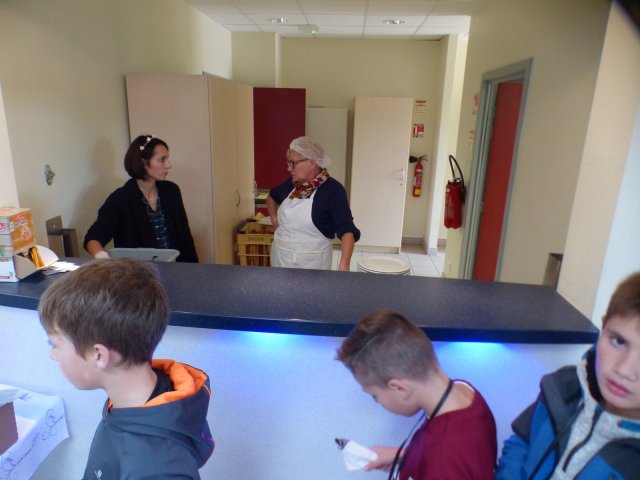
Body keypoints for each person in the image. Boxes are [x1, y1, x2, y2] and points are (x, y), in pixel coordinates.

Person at [38, 259, 214, 479]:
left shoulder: (158, 469)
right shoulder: (129, 402)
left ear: (99, 355)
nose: (53, 355)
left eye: (55, 344)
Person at [495, 272, 640, 479]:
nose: (624, 370)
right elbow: (521, 441)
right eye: (618, 341)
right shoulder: (564, 386)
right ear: (603, 326)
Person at [336, 309, 497, 479]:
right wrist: (404, 455)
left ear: (399, 388)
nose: (378, 402)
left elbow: (445, 457)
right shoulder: (462, 390)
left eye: (375, 396)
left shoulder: (442, 461)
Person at [84, 134, 198, 262]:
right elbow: (93, 239)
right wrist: (104, 259)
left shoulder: (171, 191)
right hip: (139, 271)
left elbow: (185, 237)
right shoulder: (120, 199)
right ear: (143, 162)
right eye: (162, 159)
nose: (168, 165)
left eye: (167, 159)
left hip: (176, 268)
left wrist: (194, 269)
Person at [267, 136, 360, 271]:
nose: (289, 169)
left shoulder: (333, 190)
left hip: (312, 266)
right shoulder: (291, 184)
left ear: (311, 163)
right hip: (280, 259)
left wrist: (344, 265)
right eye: (288, 163)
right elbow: (271, 197)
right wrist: (274, 220)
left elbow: (347, 231)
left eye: (293, 163)